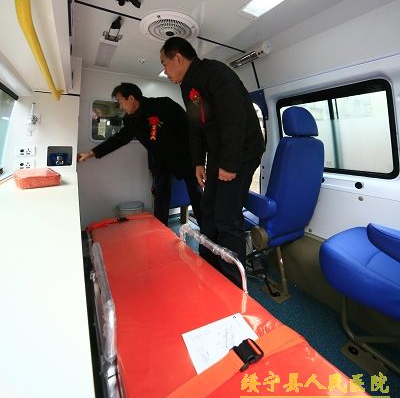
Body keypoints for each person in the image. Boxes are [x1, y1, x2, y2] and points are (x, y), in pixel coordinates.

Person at [160, 37, 264, 287]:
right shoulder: (187, 86)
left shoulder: (216, 73)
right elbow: (196, 127)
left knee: (227, 217)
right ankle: (207, 268)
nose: (165, 70)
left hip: (242, 152)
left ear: (178, 58)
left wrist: (229, 164)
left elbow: (234, 119)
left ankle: (231, 286)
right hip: (220, 153)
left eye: (164, 63)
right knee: (207, 210)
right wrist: (198, 162)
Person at [77, 83, 202, 227]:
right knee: (161, 197)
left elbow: (190, 127)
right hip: (160, 160)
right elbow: (118, 139)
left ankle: (207, 231)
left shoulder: (163, 105)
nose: (120, 107)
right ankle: (160, 230)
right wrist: (91, 153)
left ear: (131, 98)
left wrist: (197, 155)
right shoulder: (130, 120)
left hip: (184, 156)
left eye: (120, 102)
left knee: (196, 194)